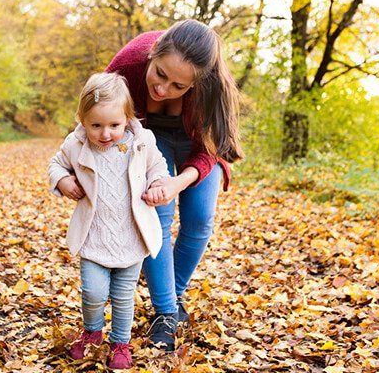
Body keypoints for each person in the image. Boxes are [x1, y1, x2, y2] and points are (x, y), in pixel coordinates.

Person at [104, 19, 245, 351]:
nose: (163, 89)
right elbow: (97, 108)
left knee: (200, 219)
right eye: (160, 74)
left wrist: (178, 182)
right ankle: (165, 313)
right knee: (158, 216)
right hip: (152, 141)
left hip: (199, 147)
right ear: (153, 53)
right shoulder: (127, 66)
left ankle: (174, 292)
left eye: (178, 86)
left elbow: (210, 149)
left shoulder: (213, 90)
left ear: (197, 83)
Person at [47, 72, 170, 369]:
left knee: (124, 295)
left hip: (130, 235)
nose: (105, 134)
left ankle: (120, 343)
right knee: (93, 290)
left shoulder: (141, 142)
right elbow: (56, 164)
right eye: (96, 126)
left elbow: (158, 167)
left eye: (114, 125)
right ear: (82, 119)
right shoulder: (76, 145)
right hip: (94, 235)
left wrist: (158, 184)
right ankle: (91, 332)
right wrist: (63, 180)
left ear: (127, 117)